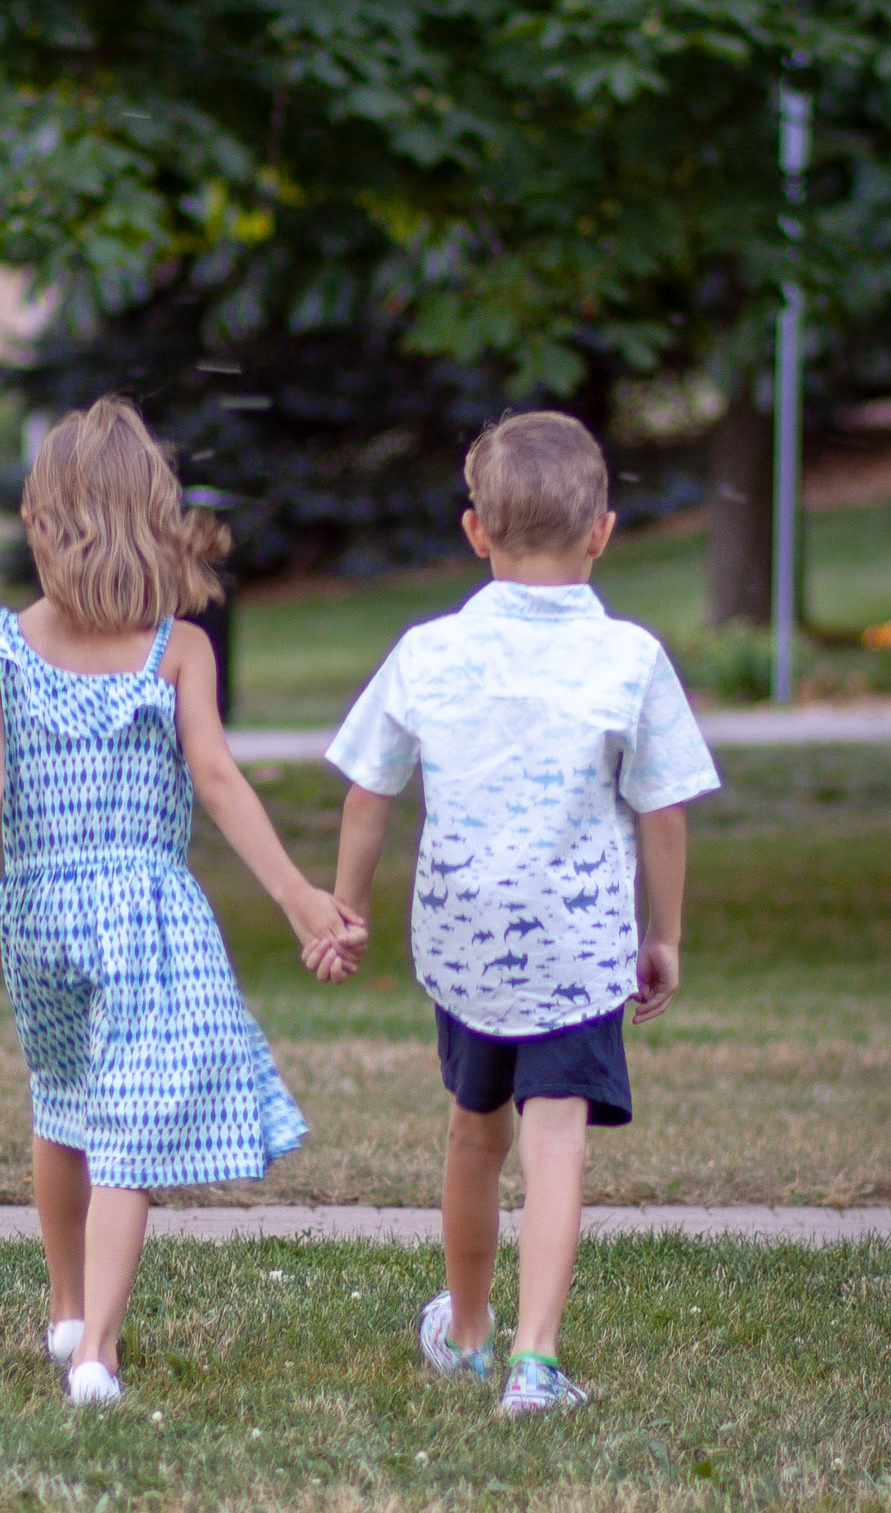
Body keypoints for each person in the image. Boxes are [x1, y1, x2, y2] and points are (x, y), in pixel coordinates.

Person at [0, 395, 364, 1406]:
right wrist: (300, 894)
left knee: (63, 1101)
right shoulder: (178, 649)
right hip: (140, 912)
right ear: (153, 525)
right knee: (125, 1120)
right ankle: (97, 1357)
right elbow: (216, 780)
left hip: (34, 909)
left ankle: (69, 1309)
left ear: (43, 522)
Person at [307, 410, 719, 1416]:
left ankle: (466, 1330)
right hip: (580, 948)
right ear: (603, 531)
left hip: (462, 938)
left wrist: (347, 903)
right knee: (556, 1141)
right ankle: (534, 1363)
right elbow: (661, 812)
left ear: (475, 530)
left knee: (472, 1134)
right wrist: (662, 933)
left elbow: (369, 789)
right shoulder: (631, 657)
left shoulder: (427, 649)